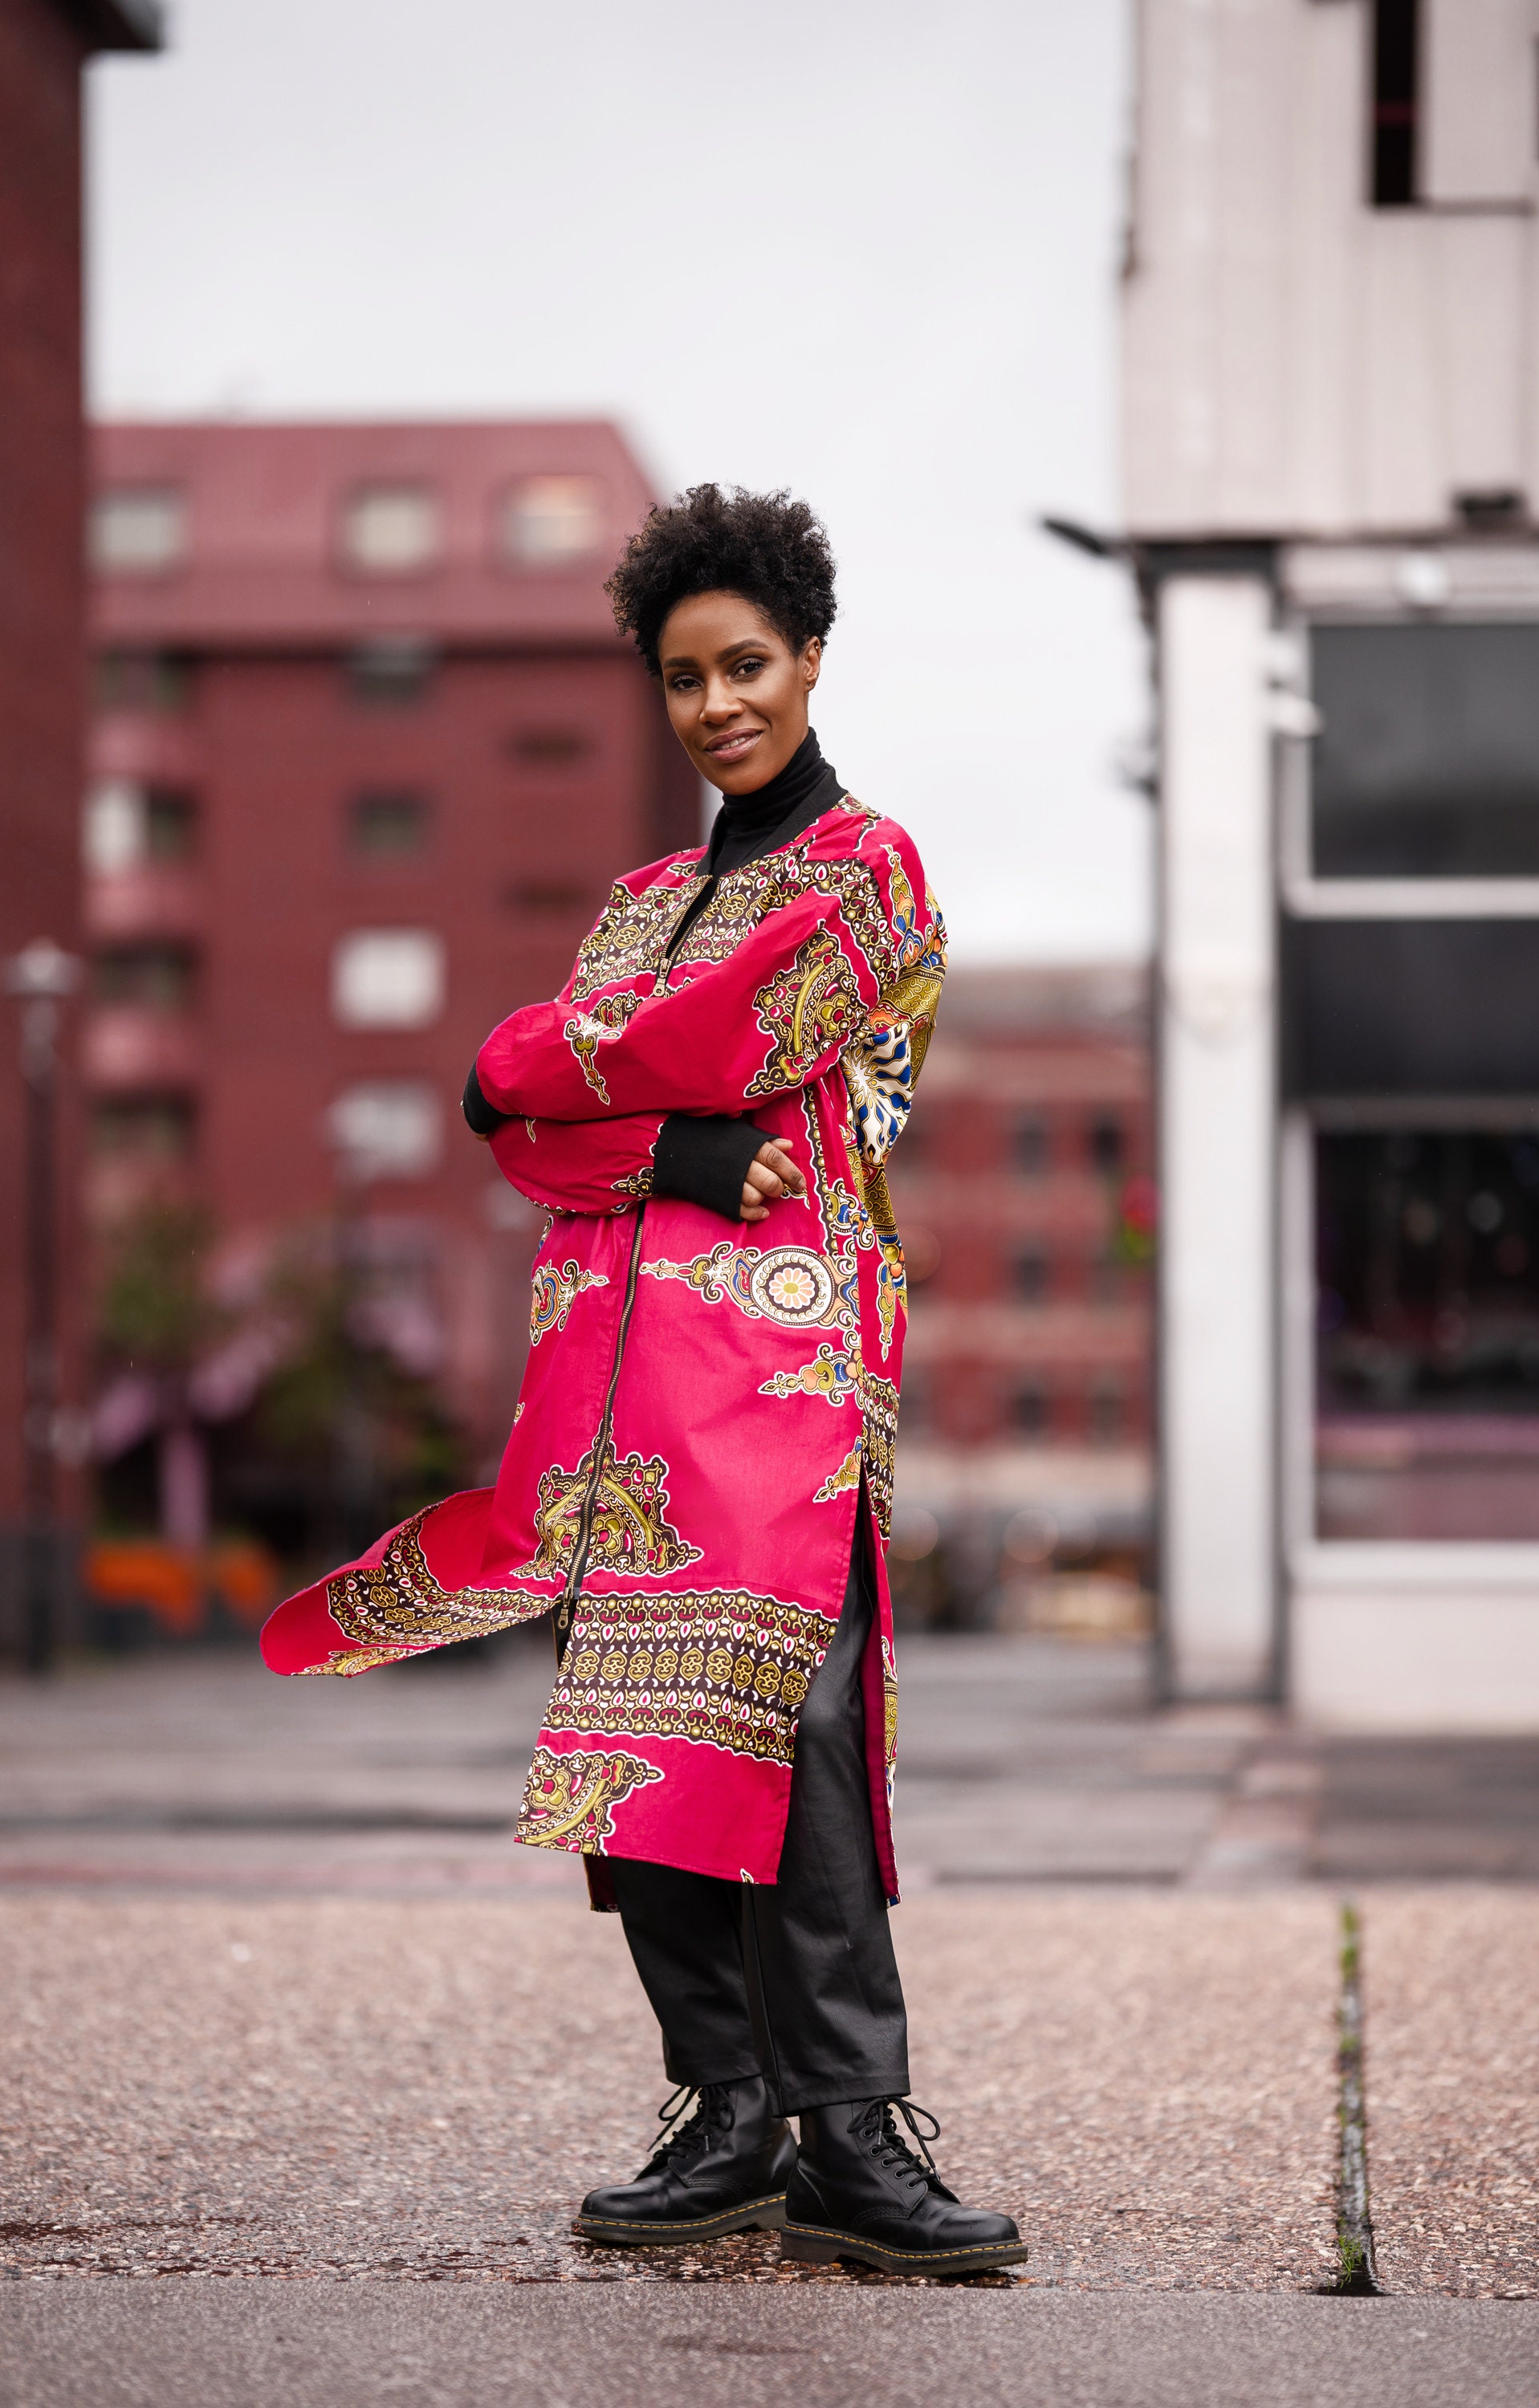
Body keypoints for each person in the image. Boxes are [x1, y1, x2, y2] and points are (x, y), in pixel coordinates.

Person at [262, 485, 1024, 2278]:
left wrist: (524, 1058)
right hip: (607, 1381)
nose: (716, 706)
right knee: (639, 1740)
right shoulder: (633, 901)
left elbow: (694, 1040)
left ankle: (852, 2129)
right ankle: (727, 2108)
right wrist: (664, 1156)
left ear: (811, 658)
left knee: (802, 1726)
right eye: (682, 678)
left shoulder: (868, 875)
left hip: (783, 1365)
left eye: (745, 664)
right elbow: (537, 1152)